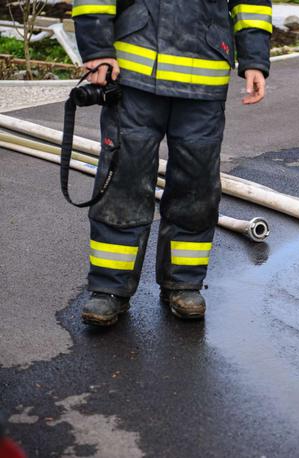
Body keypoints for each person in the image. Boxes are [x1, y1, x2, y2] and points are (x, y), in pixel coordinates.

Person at [72, 0, 272, 325]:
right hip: (134, 75)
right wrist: (97, 49)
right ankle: (110, 289)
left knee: (196, 187)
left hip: (204, 80)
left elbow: (252, 4)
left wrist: (254, 59)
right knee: (123, 181)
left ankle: (183, 283)